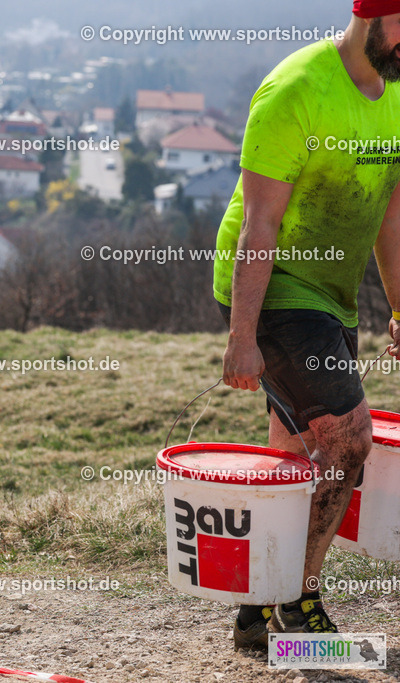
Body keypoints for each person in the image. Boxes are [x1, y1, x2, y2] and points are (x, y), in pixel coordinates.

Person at [214, 3, 400, 649]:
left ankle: (257, 605)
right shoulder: (296, 90)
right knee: (349, 438)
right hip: (274, 290)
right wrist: (241, 335)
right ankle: (300, 601)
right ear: (374, 16)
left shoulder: (398, 91)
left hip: (331, 295)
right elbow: (259, 223)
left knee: (294, 453)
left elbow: (389, 215)